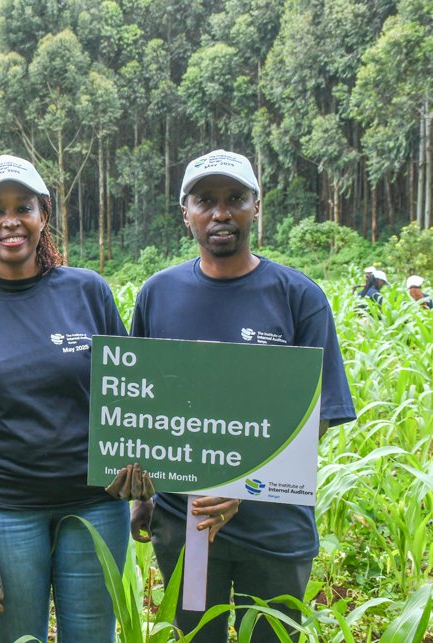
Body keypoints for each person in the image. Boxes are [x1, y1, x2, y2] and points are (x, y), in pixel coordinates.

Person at [129, 149, 356, 643]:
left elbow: (313, 416)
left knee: (271, 636)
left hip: (276, 533)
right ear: (184, 212)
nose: (220, 212)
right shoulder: (158, 294)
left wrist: (243, 486)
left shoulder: (299, 297)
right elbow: (141, 406)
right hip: (188, 532)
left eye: (235, 198)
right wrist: (141, 498)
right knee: (196, 636)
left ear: (257, 206)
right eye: (205, 200)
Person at [0, 154, 130, 642]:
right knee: (20, 637)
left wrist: (141, 466)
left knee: (92, 634)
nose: (10, 221)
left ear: (44, 214)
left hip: (96, 504)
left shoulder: (88, 292)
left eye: (24, 207)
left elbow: (127, 394)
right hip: (6, 509)